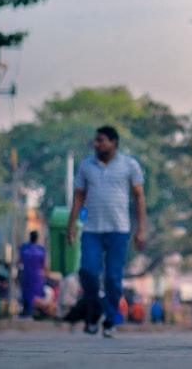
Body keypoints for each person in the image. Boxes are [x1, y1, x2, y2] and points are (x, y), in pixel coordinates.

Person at [67, 125, 147, 338]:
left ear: (113, 142)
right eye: (96, 140)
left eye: (101, 140)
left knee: (113, 276)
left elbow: (139, 197)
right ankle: (94, 313)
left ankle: (110, 318)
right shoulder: (86, 166)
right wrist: (71, 225)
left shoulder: (129, 165)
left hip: (118, 229)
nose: (97, 144)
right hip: (92, 229)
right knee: (88, 272)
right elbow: (78, 196)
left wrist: (141, 229)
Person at [19, 230, 47, 318]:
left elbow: (20, 261)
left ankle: (27, 311)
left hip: (26, 274)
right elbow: (44, 265)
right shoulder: (41, 250)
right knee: (37, 294)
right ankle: (34, 312)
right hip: (37, 276)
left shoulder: (24, 249)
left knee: (27, 293)